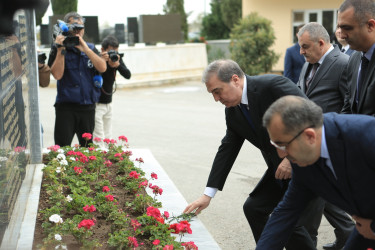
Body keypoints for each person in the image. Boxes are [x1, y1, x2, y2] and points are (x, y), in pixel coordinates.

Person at [184, 59, 322, 249]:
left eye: (217, 91)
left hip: (308, 166)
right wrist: (208, 194)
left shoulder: (273, 86)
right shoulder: (233, 111)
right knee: (254, 208)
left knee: (289, 222)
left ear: (235, 80)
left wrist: (290, 158)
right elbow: (228, 148)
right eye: (212, 94)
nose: (216, 98)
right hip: (278, 170)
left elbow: (313, 117)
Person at [258, 95, 375, 250]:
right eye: (275, 145)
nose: (281, 155)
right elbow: (287, 212)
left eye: (284, 145)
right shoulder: (303, 159)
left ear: (310, 136)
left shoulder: (367, 137)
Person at [296, 22, 355, 250]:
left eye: (305, 46)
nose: (301, 52)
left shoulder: (343, 63)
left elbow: (349, 105)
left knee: (309, 211)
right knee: (324, 196)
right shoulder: (308, 63)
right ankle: (348, 235)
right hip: (308, 147)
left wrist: (334, 141)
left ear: (321, 43)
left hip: (328, 146)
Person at [48, 12, 106, 147]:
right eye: (75, 27)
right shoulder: (58, 47)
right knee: (62, 148)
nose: (78, 31)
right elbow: (57, 75)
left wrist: (85, 49)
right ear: (66, 28)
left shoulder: (90, 48)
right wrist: (61, 49)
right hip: (66, 107)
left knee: (87, 148)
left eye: (81, 27)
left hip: (87, 107)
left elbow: (102, 68)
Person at [338, 0, 375, 116]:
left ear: (370, 26)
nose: (342, 35)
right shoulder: (353, 59)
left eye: (347, 28)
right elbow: (348, 107)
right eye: (340, 28)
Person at [93, 35, 131, 144]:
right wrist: (102, 62)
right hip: (97, 104)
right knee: (98, 137)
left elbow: (128, 75)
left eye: (115, 51)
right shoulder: (97, 59)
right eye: (110, 51)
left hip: (109, 103)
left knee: (108, 135)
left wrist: (117, 65)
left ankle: (108, 158)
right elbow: (95, 78)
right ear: (102, 50)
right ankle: (99, 158)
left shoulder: (116, 58)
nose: (113, 54)